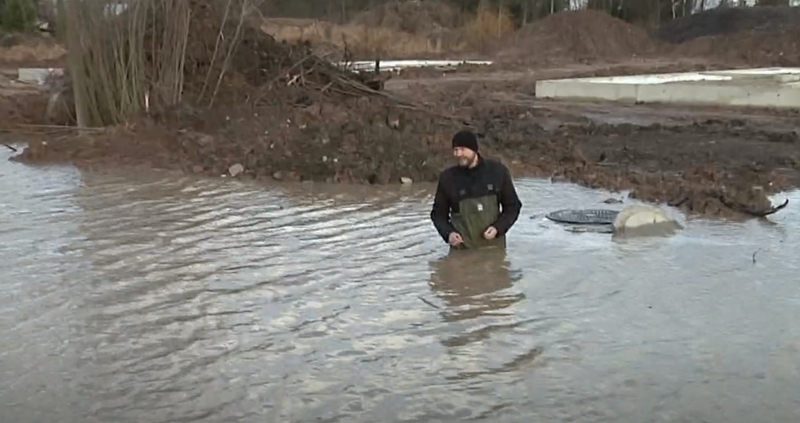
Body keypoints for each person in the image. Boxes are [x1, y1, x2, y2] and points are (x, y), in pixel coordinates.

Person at [430, 129, 522, 250]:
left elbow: (513, 206)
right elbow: (438, 215)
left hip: (494, 250)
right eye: (456, 150)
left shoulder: (497, 172)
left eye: (462, 149)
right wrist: (449, 234)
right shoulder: (448, 178)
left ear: (474, 149)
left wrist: (498, 228)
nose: (458, 154)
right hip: (461, 253)